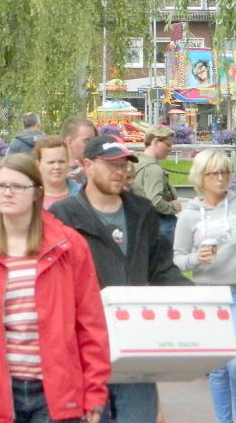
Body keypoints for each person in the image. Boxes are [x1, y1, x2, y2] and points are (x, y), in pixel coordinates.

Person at [0, 154, 110, 422]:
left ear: (37, 192)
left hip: (55, 391)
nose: (7, 193)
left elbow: (90, 323)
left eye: (17, 186)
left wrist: (94, 391)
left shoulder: (68, 246)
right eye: (1, 186)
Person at [49, 135, 191, 423]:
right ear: (87, 165)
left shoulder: (142, 211)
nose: (121, 171)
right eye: (111, 164)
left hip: (134, 344)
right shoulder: (63, 216)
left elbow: (161, 268)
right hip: (85, 348)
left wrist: (192, 297)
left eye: (125, 165)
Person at [173, 149, 236, 423]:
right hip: (207, 296)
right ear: (200, 177)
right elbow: (178, 259)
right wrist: (196, 258)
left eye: (225, 172)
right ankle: (224, 420)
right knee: (217, 366)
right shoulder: (189, 216)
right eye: (214, 173)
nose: (221, 178)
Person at [133, 126, 181, 243]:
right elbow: (155, 201)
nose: (170, 149)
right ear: (155, 141)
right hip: (160, 224)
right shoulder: (153, 169)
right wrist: (173, 207)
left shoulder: (136, 161)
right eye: (168, 145)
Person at [33, 136, 79, 210]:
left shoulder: (84, 195)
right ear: (38, 165)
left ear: (68, 162)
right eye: (51, 162)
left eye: (61, 161)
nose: (57, 166)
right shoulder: (30, 199)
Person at [61, 117, 98, 190]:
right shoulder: (55, 171)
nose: (92, 145)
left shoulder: (99, 169)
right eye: (86, 141)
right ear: (69, 142)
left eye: (94, 140)